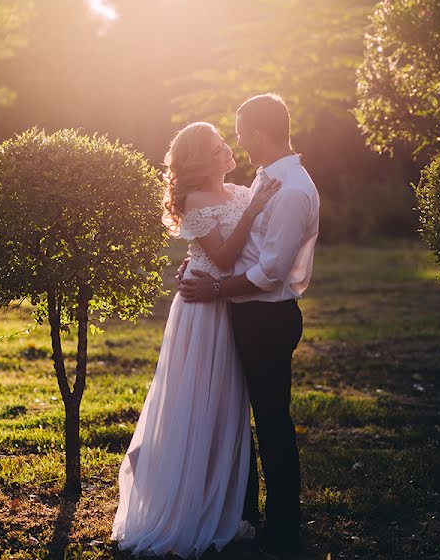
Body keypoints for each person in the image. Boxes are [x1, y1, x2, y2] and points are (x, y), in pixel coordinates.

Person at [111, 121, 280, 558]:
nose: (229, 149)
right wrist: (251, 211)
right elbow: (222, 256)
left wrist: (256, 206)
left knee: (227, 404)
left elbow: (253, 240)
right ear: (201, 159)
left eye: (227, 142)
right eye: (219, 145)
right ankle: (180, 495)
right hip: (203, 311)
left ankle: (225, 500)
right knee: (196, 399)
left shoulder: (242, 192)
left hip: (231, 305)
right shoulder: (195, 200)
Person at [180, 94, 320, 557]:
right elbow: (230, 236)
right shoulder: (266, 178)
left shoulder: (293, 189)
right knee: (236, 415)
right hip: (243, 316)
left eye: (240, 134)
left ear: (258, 134)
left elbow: (271, 272)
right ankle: (243, 513)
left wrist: (217, 289)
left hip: (267, 317)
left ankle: (283, 525)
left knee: (272, 420)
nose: (237, 143)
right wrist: (198, 265)